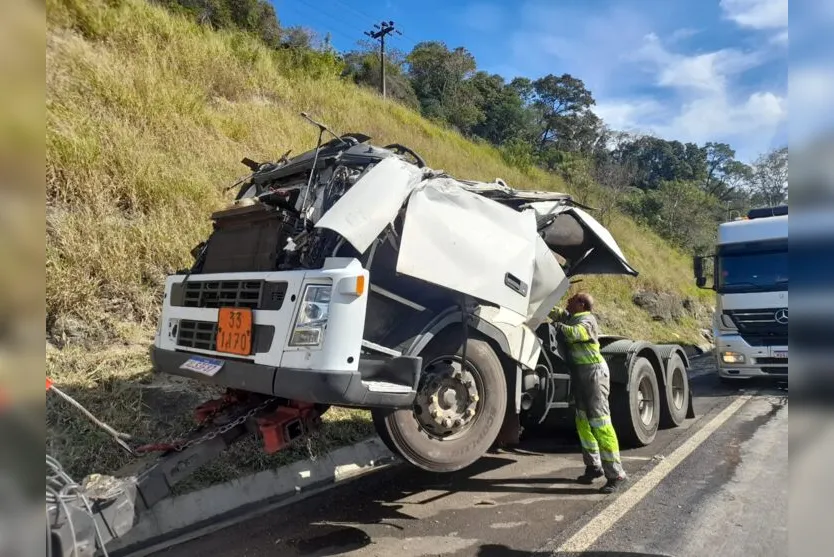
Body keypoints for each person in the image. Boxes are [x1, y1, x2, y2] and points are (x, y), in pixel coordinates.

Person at [549, 292, 628, 494]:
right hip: (581, 374)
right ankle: (594, 466)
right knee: (583, 420)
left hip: (594, 373)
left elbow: (577, 333)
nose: (567, 301)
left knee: (600, 422)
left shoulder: (587, 319)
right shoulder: (573, 317)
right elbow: (558, 312)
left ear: (581, 304)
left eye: (572, 299)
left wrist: (558, 327)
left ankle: (616, 474)